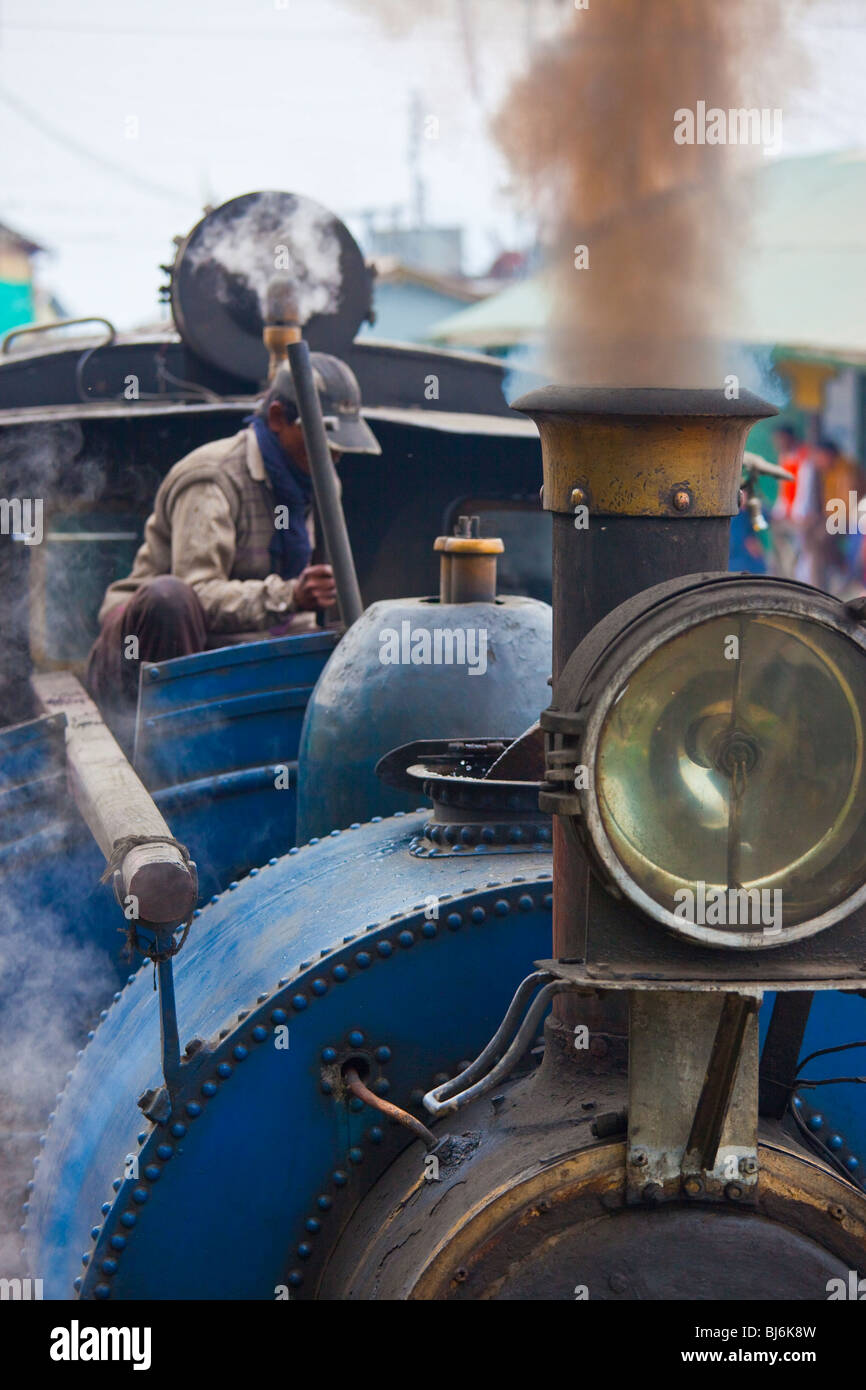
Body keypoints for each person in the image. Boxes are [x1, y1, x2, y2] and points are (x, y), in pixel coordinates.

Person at [87, 354, 380, 732]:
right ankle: (167, 745)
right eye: (323, 442)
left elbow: (303, 617)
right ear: (277, 418)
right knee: (169, 599)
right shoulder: (212, 477)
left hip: (239, 653)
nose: (335, 455)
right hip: (141, 657)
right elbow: (198, 595)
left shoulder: (319, 480)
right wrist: (290, 596)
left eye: (339, 445)